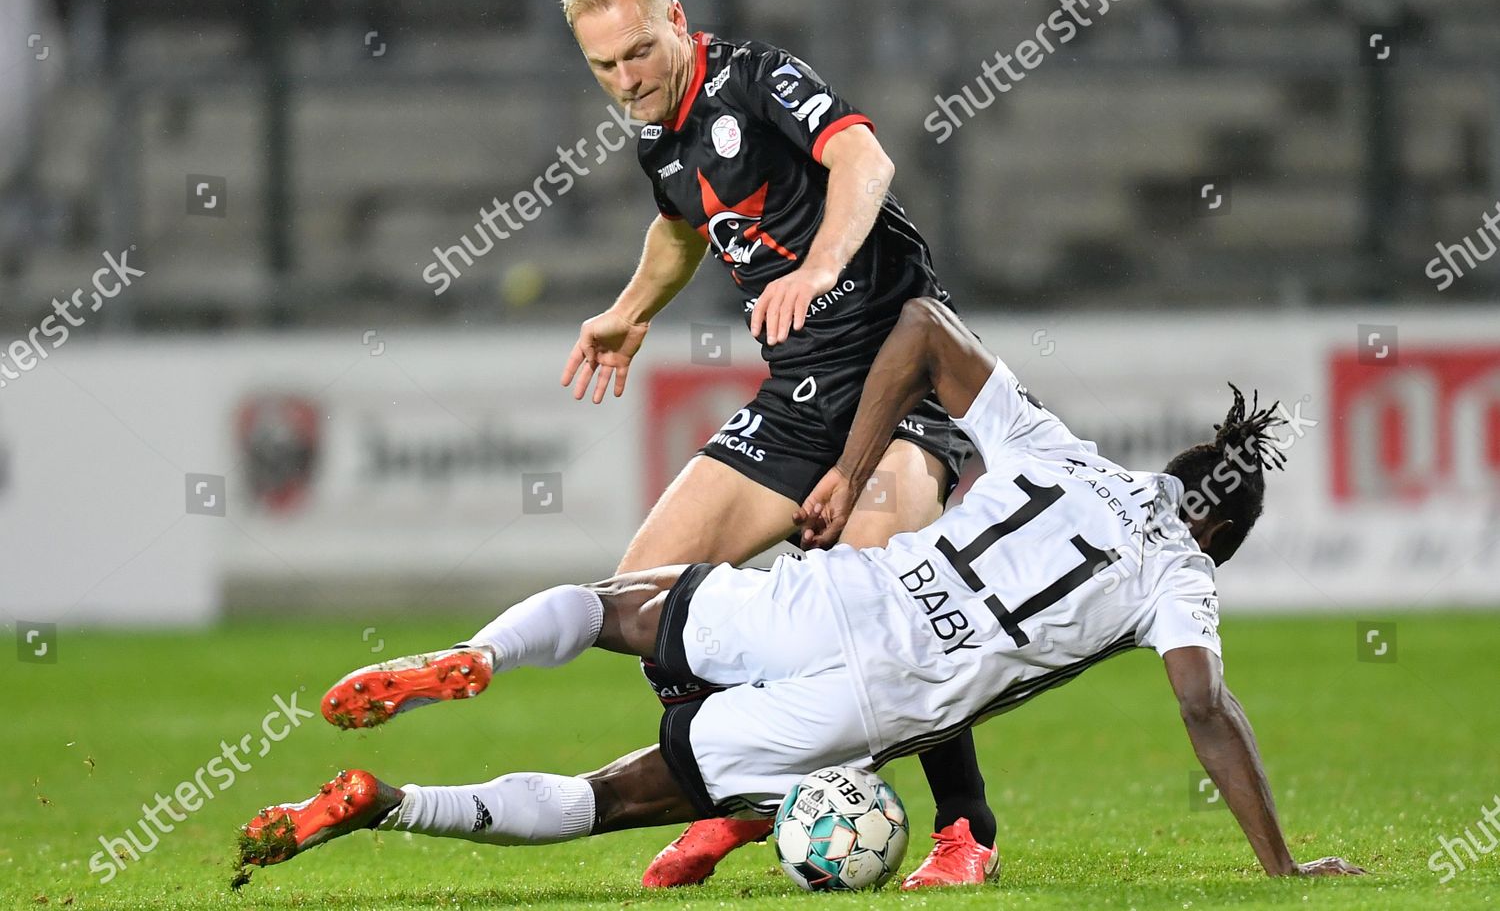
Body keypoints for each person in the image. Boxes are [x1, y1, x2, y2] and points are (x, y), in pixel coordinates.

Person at [242, 298, 1365, 885]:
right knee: (610, 798)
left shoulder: (1064, 454)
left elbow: (922, 326)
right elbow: (1204, 707)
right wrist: (1281, 860)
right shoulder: (1178, 574)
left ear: (1170, 473)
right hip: (877, 703)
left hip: (841, 594)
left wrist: (846, 465)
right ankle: (391, 803)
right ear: (1219, 532)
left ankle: (478, 659)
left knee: (606, 606)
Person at [554, 0, 992, 887]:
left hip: (902, 374)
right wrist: (630, 313)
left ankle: (966, 829)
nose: (627, 79)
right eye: (604, 65)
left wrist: (822, 264)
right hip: (798, 399)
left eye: (638, 51)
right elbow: (679, 227)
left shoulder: (758, 79)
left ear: (675, 21)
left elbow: (864, 163)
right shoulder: (655, 138)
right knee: (641, 601)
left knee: (879, 598)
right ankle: (747, 796)